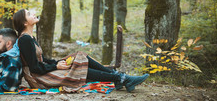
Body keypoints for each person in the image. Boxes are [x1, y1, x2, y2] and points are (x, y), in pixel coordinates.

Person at [12, 9, 149, 92]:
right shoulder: (24, 40)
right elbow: (34, 67)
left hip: (42, 71)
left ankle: (118, 77)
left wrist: (59, 62)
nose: (34, 13)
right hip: (39, 78)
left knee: (80, 55)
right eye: (29, 14)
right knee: (79, 69)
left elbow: (42, 60)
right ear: (25, 23)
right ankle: (121, 78)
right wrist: (56, 66)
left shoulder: (30, 37)